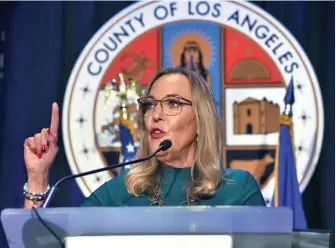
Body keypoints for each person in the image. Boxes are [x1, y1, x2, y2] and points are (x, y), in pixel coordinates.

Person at [23, 67, 266, 208]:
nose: (155, 115)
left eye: (173, 103)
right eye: (150, 105)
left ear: (201, 120)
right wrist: (37, 177)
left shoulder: (237, 189)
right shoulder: (122, 191)